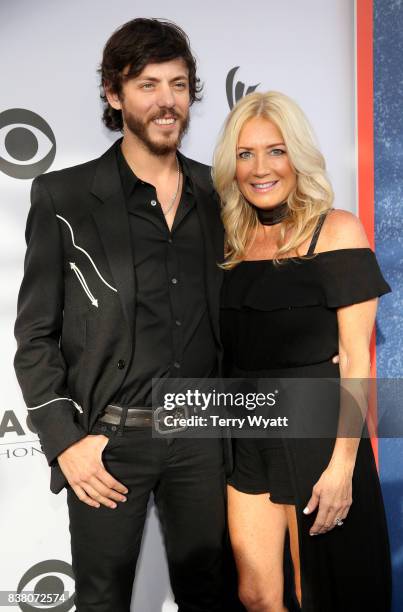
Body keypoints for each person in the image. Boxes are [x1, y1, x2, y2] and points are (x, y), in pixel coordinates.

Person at [14, 18, 237, 612]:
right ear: (114, 94)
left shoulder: (220, 196)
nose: (167, 101)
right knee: (102, 600)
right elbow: (35, 335)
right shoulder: (63, 197)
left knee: (211, 596)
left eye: (179, 84)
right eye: (148, 84)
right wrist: (66, 442)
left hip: (205, 437)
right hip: (107, 442)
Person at [214, 91, 392, 612]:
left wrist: (342, 466)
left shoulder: (335, 230)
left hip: (316, 431)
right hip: (243, 430)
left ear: (298, 157)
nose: (261, 168)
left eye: (276, 151)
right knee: (255, 594)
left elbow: (357, 360)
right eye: (245, 154)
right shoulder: (228, 239)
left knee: (313, 592)